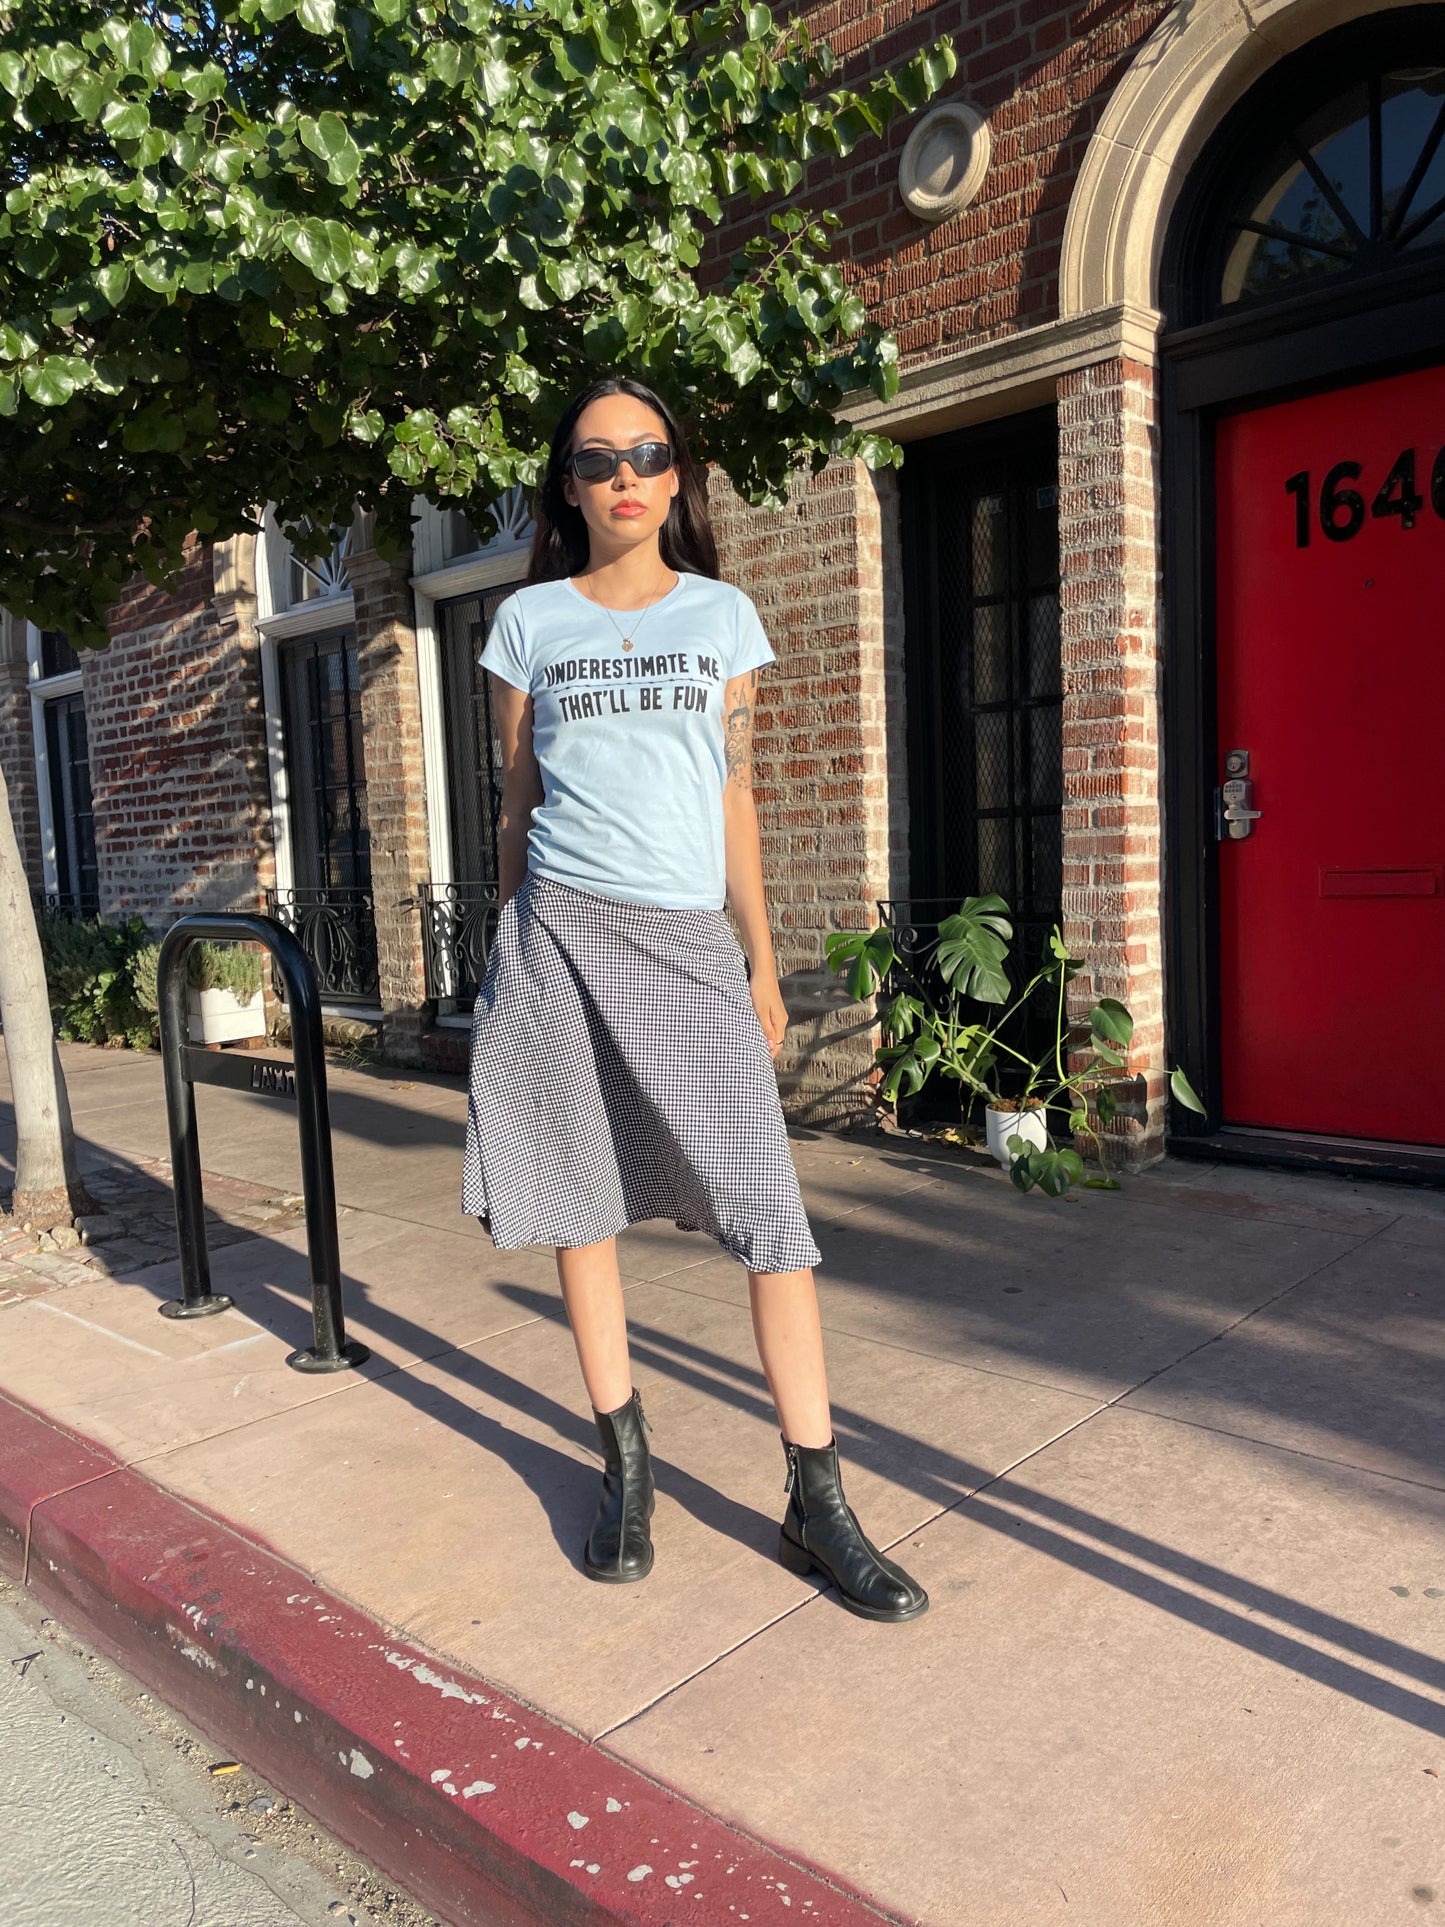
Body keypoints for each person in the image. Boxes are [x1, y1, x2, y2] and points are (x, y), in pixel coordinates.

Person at [461, 376, 927, 1623]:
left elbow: (734, 795)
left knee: (767, 1213)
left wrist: (758, 959)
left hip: (684, 945)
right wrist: (506, 946)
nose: (623, 473)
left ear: (677, 478)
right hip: (555, 932)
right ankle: (624, 1461)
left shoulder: (724, 617)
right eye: (597, 457)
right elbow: (515, 803)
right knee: (577, 1199)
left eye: (646, 453)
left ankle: (815, 1495)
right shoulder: (526, 624)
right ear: (567, 485)